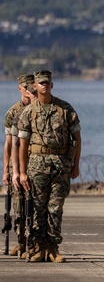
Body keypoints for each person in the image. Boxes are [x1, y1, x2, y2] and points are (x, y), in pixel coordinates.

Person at [16, 70, 81, 263]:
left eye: (47, 82)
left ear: (52, 85)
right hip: (36, 167)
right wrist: (22, 172)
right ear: (35, 86)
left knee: (55, 208)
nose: (44, 85)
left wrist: (76, 165)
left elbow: (77, 139)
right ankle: (39, 247)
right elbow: (22, 145)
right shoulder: (28, 112)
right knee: (38, 209)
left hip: (60, 166)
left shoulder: (65, 109)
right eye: (41, 83)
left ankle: (53, 248)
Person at [4, 74, 35, 257]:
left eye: (31, 87)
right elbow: (9, 144)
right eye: (26, 87)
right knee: (18, 205)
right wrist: (6, 171)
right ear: (20, 88)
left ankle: (34, 242)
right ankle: (21, 242)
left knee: (35, 205)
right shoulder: (13, 112)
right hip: (17, 164)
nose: (28, 90)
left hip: (34, 163)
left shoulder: (37, 109)